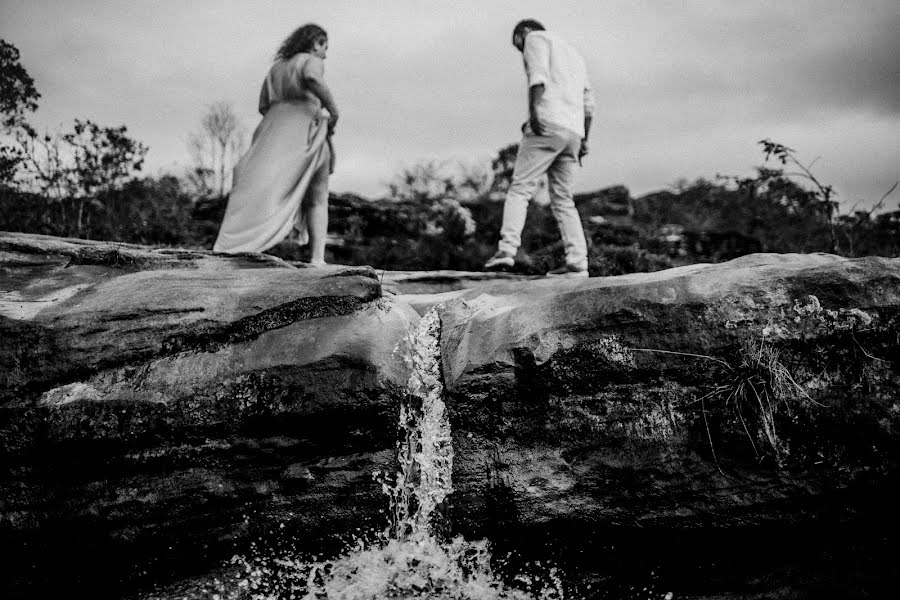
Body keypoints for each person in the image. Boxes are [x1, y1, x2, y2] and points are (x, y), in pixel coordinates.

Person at [213, 23, 339, 264]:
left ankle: (234, 242)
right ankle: (317, 259)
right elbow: (312, 77)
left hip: (272, 129)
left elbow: (263, 106)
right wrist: (333, 111)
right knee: (318, 196)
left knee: (259, 185)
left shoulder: (277, 68)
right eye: (324, 46)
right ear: (315, 43)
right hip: (304, 128)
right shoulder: (311, 60)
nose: (326, 53)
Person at [484, 19, 595, 278]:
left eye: (518, 45)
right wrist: (584, 140)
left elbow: (538, 77)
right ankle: (578, 264)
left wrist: (534, 113)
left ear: (523, 32)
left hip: (547, 124)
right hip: (574, 132)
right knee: (564, 200)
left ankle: (507, 251)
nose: (521, 52)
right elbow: (589, 104)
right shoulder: (575, 55)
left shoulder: (536, 39)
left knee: (520, 187)